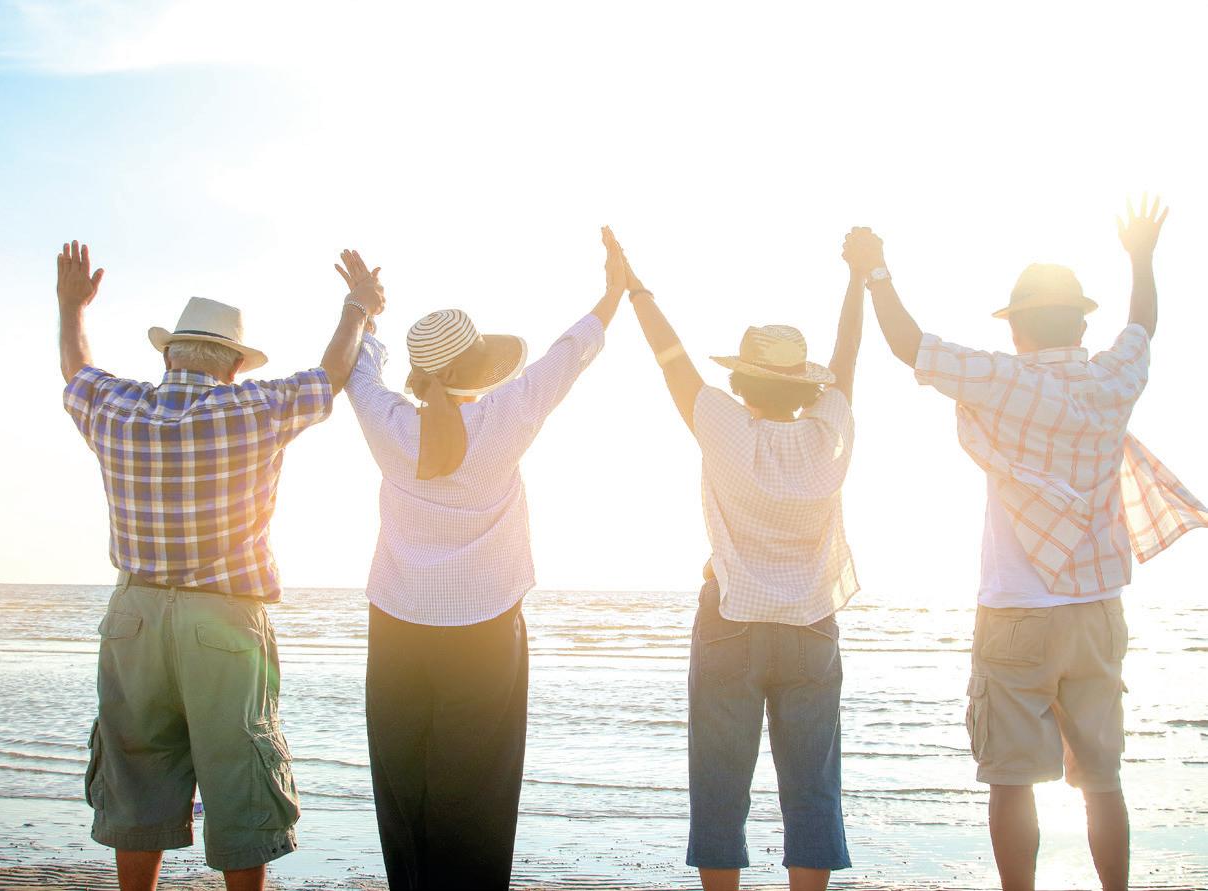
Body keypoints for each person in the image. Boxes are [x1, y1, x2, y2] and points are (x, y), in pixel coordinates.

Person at [848, 197, 1208, 891]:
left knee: (1012, 779)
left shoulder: (1004, 379)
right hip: (1097, 608)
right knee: (1102, 780)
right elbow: (1142, 325)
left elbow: (909, 345)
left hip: (1017, 609)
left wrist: (876, 272)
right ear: (1081, 325)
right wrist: (1140, 256)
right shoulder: (1111, 381)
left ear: (1015, 330)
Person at [59, 241, 385, 891]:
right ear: (234, 365)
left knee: (135, 776)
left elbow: (77, 370)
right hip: (225, 620)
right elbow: (330, 375)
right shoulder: (252, 408)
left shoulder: (117, 407)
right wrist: (358, 307)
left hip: (133, 617)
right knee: (240, 775)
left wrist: (72, 307)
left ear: (168, 356)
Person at [344, 228, 628, 890]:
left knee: (402, 781)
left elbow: (358, 369)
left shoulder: (387, 422)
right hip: (485, 631)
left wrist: (367, 311)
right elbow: (570, 352)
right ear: (472, 370)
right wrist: (613, 292)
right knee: (480, 789)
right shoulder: (506, 416)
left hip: (397, 627)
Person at [612, 232, 867, 891]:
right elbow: (846, 359)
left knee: (720, 784)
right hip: (810, 627)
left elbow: (670, 359)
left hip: (730, 621)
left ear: (742, 381)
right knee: (813, 787)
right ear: (806, 387)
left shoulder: (724, 426)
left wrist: (635, 289)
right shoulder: (828, 432)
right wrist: (857, 279)